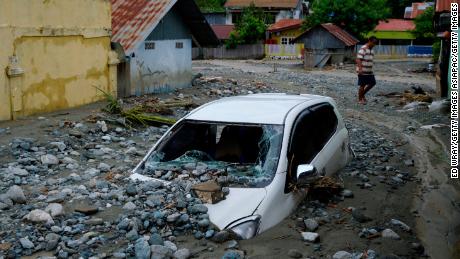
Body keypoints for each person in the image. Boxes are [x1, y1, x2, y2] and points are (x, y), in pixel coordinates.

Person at [356, 36, 378, 104]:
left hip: (369, 71)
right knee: (362, 85)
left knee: (373, 83)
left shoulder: (372, 50)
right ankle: (360, 99)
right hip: (362, 70)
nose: (374, 44)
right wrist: (360, 69)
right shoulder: (363, 48)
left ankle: (362, 95)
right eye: (373, 43)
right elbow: (358, 59)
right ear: (369, 41)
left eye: (375, 43)